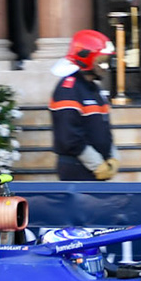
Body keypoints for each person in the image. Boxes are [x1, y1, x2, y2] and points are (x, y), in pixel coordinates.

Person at [49, 30, 118, 182]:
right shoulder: (68, 89)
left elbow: (104, 127)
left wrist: (113, 156)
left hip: (97, 168)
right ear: (85, 58)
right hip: (77, 168)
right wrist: (96, 164)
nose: (106, 66)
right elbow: (70, 138)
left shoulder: (94, 88)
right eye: (101, 60)